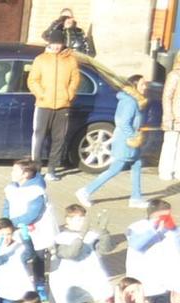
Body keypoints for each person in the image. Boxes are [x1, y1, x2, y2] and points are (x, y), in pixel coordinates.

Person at [79, 73, 147, 205]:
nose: (145, 87)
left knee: (137, 164)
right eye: (142, 84)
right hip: (126, 141)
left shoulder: (131, 100)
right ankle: (86, 191)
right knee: (115, 169)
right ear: (135, 85)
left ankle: (136, 197)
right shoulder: (130, 102)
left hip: (129, 141)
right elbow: (123, 122)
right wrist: (133, 136)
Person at [27, 35, 80, 181]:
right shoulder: (41, 59)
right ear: (49, 44)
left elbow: (75, 79)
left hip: (63, 105)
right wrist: (41, 94)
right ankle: (36, 170)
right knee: (39, 136)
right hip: (44, 104)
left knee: (59, 138)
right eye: (54, 44)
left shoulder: (70, 60)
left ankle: (52, 169)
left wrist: (69, 94)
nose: (57, 46)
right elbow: (33, 80)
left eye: (59, 44)